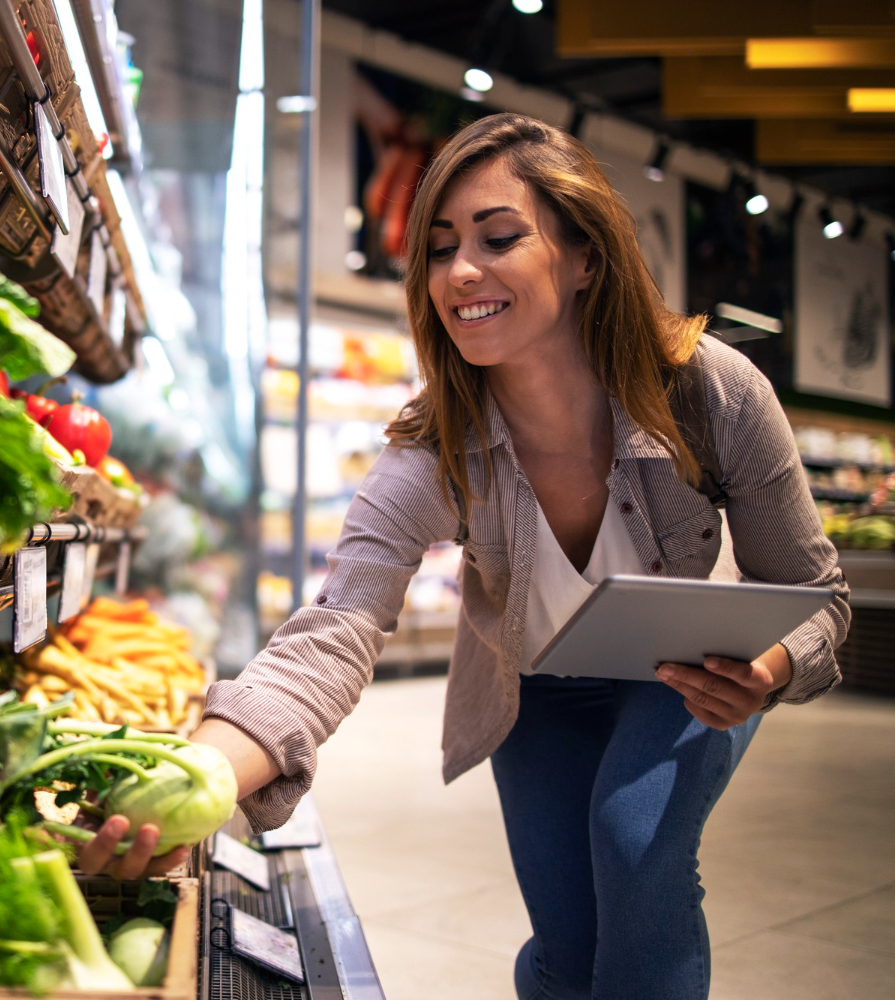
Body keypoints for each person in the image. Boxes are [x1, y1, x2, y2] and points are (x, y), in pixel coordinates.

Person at [77, 113, 850, 1000]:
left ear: (586, 256)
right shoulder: (436, 445)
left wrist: (771, 664)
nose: (460, 272)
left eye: (499, 237)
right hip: (530, 689)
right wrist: (201, 777)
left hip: (682, 677)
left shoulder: (708, 391)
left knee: (636, 848)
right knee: (565, 944)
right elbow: (338, 627)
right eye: (440, 248)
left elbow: (813, 593)